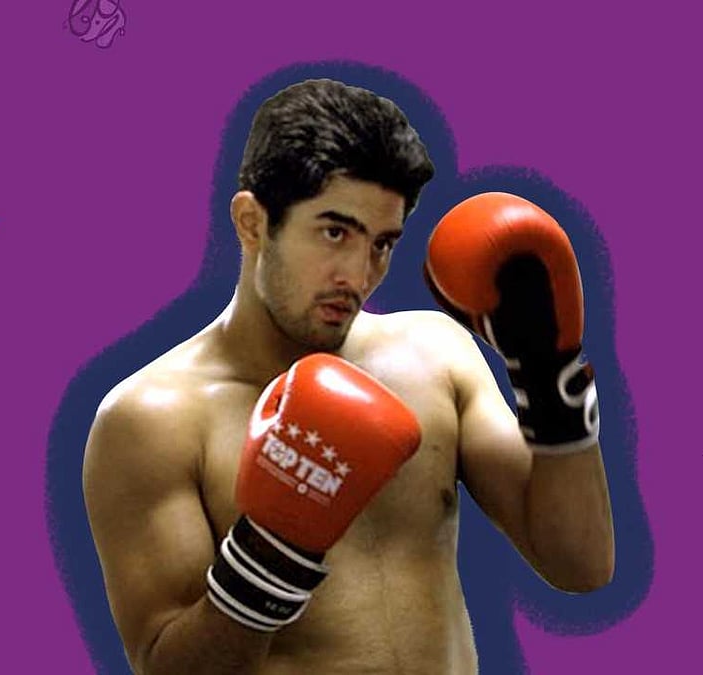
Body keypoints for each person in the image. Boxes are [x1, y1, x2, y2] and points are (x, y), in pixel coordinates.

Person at [83, 78, 615, 675]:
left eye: (382, 243)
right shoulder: (153, 420)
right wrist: (271, 553)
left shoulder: (436, 356)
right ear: (253, 222)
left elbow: (580, 566)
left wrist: (547, 375)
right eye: (334, 233)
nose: (358, 276)